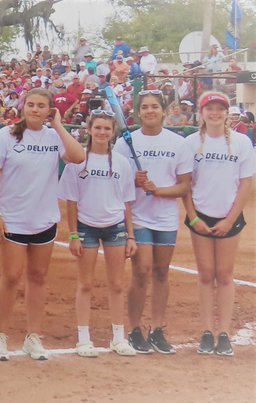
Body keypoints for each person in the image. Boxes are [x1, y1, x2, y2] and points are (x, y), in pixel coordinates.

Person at [0, 88, 85, 361]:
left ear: (50, 110)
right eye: (31, 105)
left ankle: (33, 336)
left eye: (42, 106)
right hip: (13, 218)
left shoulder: (55, 137)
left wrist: (59, 125)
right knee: (12, 276)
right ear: (23, 107)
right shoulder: (7, 135)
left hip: (44, 219)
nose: (35, 110)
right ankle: (0, 335)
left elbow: (78, 156)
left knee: (38, 277)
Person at [59, 111, 139, 358]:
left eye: (107, 128)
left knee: (116, 284)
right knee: (85, 284)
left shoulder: (122, 163)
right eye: (98, 128)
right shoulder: (78, 161)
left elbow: (127, 202)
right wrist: (73, 234)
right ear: (89, 130)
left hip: (115, 227)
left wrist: (131, 235)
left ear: (113, 132)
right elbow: (71, 200)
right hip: (85, 227)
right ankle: (83, 338)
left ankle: (119, 337)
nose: (102, 132)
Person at [119, 92, 192, 355]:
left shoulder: (178, 143)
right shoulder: (126, 142)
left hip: (166, 218)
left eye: (155, 107)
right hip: (138, 217)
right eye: (145, 107)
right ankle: (135, 329)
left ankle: (158, 329)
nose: (150, 111)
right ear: (138, 112)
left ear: (163, 110)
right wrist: (133, 181)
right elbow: (116, 179)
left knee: (161, 272)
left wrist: (157, 189)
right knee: (142, 271)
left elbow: (184, 186)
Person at [183, 92, 253, 357]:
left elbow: (245, 183)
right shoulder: (191, 143)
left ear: (227, 113)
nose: (215, 113)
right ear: (202, 113)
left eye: (220, 109)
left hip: (229, 216)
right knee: (205, 274)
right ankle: (206, 331)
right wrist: (194, 217)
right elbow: (186, 184)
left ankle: (223, 333)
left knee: (224, 275)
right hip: (200, 214)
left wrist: (229, 220)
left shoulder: (241, 142)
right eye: (209, 108)